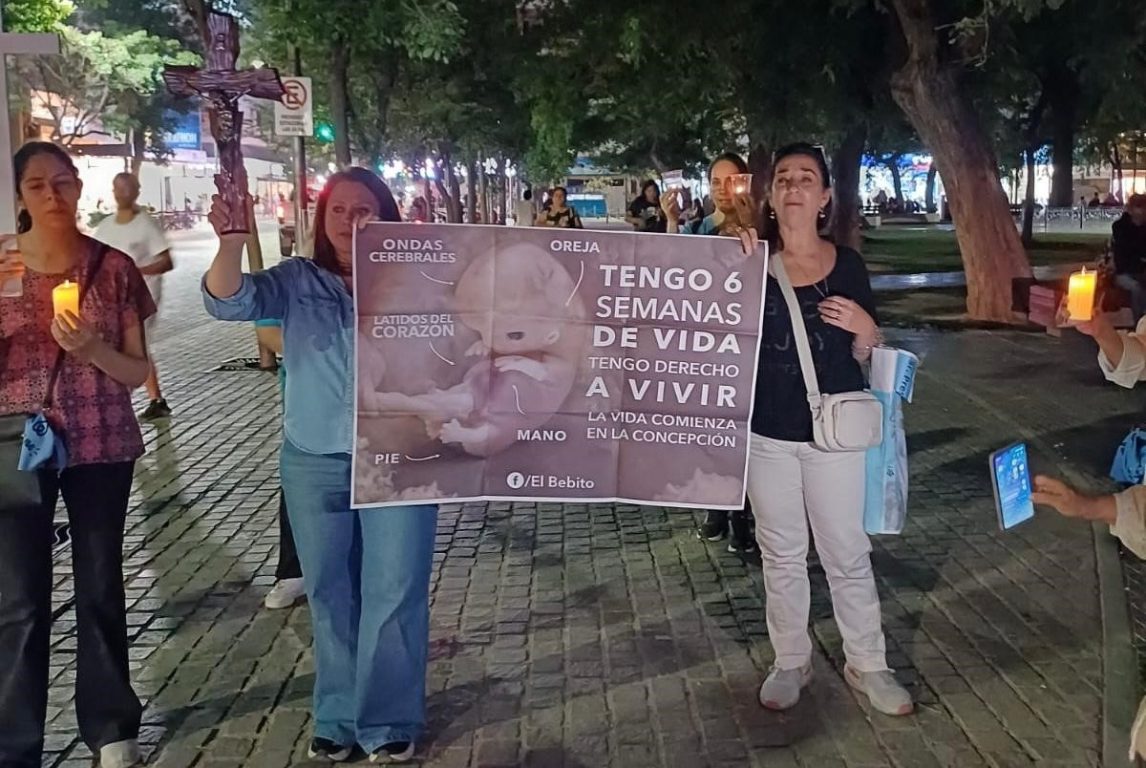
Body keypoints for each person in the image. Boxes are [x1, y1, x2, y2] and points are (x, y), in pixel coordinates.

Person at [202, 167, 437, 764]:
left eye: (366, 209)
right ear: (321, 220)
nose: (352, 221)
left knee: (395, 589)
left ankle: (387, 720)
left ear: (389, 216)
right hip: (314, 461)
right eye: (340, 210)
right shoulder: (296, 280)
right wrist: (230, 241)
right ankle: (337, 714)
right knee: (331, 593)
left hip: (401, 458)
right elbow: (229, 302)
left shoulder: (423, 280)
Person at [0, 142, 153, 768]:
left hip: (100, 442)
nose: (53, 195)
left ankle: (111, 726)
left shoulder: (114, 268)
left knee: (98, 581)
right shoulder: (1, 269)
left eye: (63, 182)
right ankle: (15, 742)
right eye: (38, 184)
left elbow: (138, 368)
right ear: (19, 196)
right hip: (16, 445)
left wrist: (91, 347)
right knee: (18, 598)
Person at [749, 142, 912, 716]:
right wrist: (728, 265)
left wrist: (867, 324)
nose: (793, 186)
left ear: (823, 197)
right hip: (766, 436)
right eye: (784, 178)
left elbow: (868, 354)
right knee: (783, 555)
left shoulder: (847, 265)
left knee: (847, 552)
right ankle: (790, 659)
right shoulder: (747, 262)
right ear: (771, 195)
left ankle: (868, 664)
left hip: (835, 435)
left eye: (806, 178)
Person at [94, 172, 174, 419]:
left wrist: (135, 272)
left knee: (136, 345)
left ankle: (146, 399)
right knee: (122, 345)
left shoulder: (146, 224)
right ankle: (150, 399)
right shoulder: (106, 226)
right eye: (118, 189)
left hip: (142, 295)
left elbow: (166, 261)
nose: (122, 194)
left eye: (127, 189)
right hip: (112, 298)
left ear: (137, 191)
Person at [254, 319, 306, 610]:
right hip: (308, 401)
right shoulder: (293, 275)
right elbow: (268, 330)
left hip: (375, 394)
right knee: (299, 486)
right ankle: (293, 570)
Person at [1111, 194, 1146, 321]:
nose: (1143, 211)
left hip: (1141, 270)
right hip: (1124, 273)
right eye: (1139, 207)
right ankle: (1139, 322)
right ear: (1130, 209)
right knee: (1136, 288)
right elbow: (1123, 256)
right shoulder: (1120, 227)